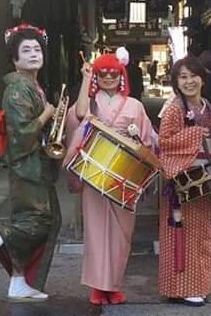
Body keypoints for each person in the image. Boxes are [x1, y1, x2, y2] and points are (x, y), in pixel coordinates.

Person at [64, 48, 157, 306]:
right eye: (102, 73)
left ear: (122, 76)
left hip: (124, 172)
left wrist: (138, 137)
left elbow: (149, 140)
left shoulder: (135, 105)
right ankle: (97, 286)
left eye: (113, 74)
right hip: (95, 170)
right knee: (95, 231)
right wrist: (85, 79)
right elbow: (79, 116)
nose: (108, 78)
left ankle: (113, 284)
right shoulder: (90, 102)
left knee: (122, 232)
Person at [0, 23, 60, 302]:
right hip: (27, 166)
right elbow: (21, 133)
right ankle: (2, 232)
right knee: (39, 221)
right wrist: (47, 115)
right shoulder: (17, 89)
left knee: (42, 221)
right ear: (15, 59)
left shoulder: (33, 86)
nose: (33, 54)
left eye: (37, 49)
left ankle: (19, 282)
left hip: (35, 164)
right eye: (25, 50)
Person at [157, 56, 211, 307]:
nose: (188, 81)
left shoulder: (206, 105)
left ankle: (196, 285)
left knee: (202, 235)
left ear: (202, 78)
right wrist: (197, 133)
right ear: (176, 82)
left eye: (193, 76)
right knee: (180, 235)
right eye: (182, 77)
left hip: (204, 178)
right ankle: (178, 287)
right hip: (182, 179)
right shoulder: (175, 107)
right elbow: (164, 141)